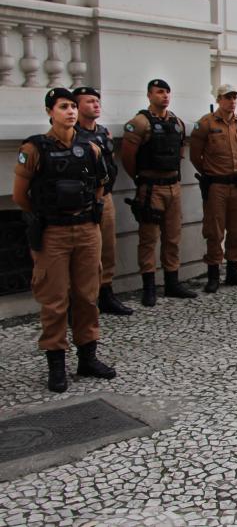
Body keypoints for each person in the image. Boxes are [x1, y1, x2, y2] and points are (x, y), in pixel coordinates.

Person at [11, 88, 117, 392]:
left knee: (86, 295)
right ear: (50, 112)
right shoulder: (34, 149)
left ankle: (88, 357)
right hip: (53, 232)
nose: (70, 111)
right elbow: (20, 195)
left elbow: (99, 186)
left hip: (85, 229)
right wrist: (46, 216)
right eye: (63, 107)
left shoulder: (91, 148)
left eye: (72, 106)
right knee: (55, 300)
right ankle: (57, 364)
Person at [120, 79, 197, 306]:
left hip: (173, 186)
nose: (164, 96)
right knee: (148, 238)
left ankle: (172, 281)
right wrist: (141, 179)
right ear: (149, 95)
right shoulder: (139, 123)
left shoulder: (176, 122)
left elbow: (180, 150)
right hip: (151, 187)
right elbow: (128, 157)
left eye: (167, 92)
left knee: (173, 236)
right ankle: (149, 286)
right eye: (159, 92)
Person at [73, 86, 133, 316]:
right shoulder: (72, 134)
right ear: (77, 106)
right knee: (84, 253)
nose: (96, 104)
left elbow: (112, 163)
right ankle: (83, 300)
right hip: (81, 201)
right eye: (89, 101)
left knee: (107, 248)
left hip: (104, 197)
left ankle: (106, 293)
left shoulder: (103, 132)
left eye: (97, 100)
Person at [189, 84, 237, 293]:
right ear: (219, 99)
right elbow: (195, 155)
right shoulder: (206, 124)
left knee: (236, 228)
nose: (232, 101)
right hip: (216, 184)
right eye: (228, 97)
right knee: (214, 230)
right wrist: (211, 172)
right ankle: (213, 274)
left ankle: (233, 271)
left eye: (234, 97)